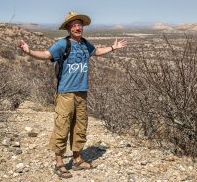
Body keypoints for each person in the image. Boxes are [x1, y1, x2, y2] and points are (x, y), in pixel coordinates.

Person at [18, 11, 127, 178]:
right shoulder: (62, 44)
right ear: (68, 28)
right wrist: (29, 51)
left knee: (80, 127)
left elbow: (96, 51)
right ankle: (59, 163)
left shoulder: (85, 44)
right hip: (65, 93)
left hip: (81, 92)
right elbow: (47, 55)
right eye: (73, 25)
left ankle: (77, 160)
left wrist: (113, 47)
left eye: (79, 24)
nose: (77, 27)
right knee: (62, 127)